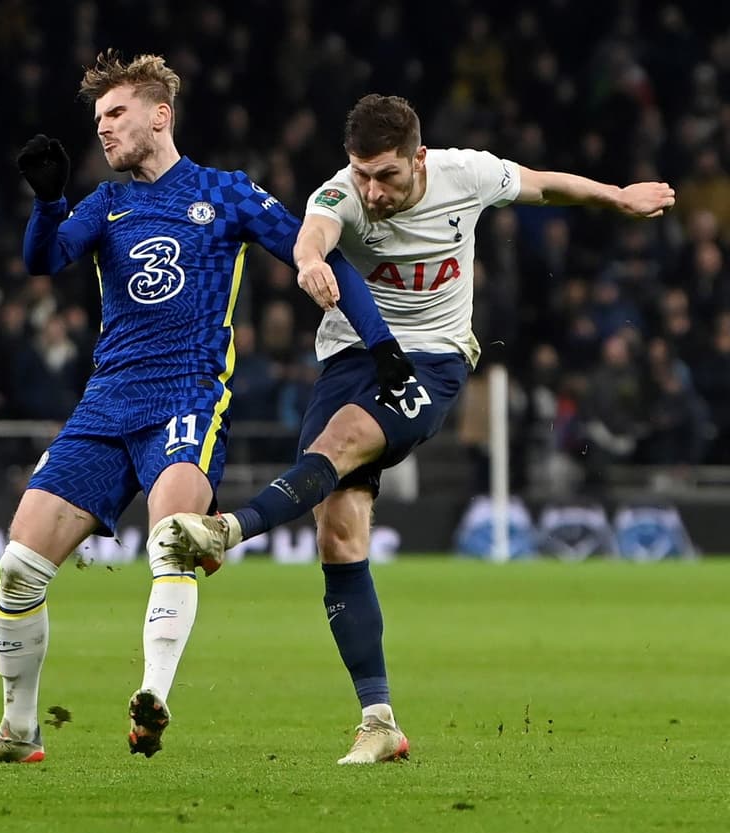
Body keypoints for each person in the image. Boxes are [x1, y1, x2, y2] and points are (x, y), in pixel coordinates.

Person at [161, 93, 676, 764]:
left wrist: (618, 196)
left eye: (387, 175)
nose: (373, 191)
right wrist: (311, 261)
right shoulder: (341, 193)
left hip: (432, 361)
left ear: (419, 159)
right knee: (338, 532)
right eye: (363, 174)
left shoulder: (467, 173)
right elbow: (314, 231)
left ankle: (229, 528)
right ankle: (378, 722)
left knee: (341, 442)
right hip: (348, 360)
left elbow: (545, 185)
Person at [0, 52, 411, 766]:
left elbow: (322, 256)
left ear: (161, 115)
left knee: (175, 538)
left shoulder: (226, 193)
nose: (103, 128)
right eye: (98, 119)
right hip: (106, 403)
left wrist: (381, 344)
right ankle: (18, 732)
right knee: (17, 567)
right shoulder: (105, 203)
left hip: (187, 396)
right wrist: (49, 201)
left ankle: (151, 695)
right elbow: (43, 260)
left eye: (116, 113)